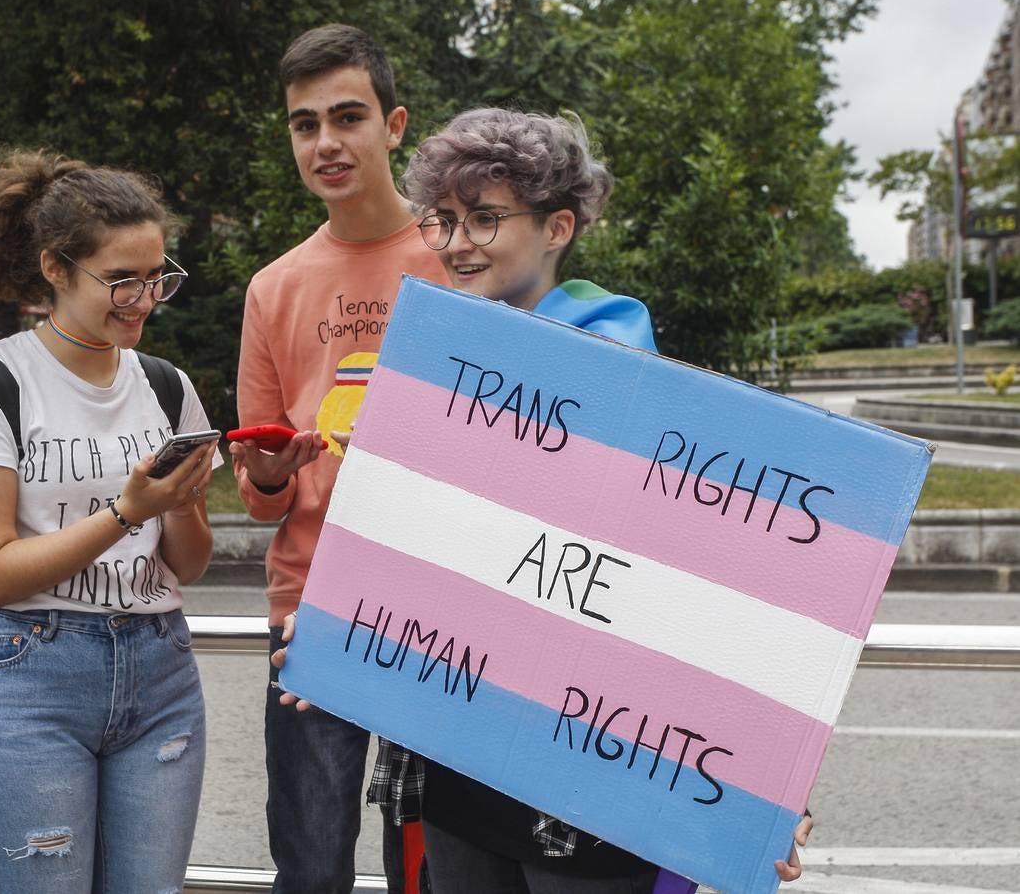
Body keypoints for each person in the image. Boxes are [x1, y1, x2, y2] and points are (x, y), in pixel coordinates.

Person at [275, 107, 814, 891]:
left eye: (485, 219)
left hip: (594, 769)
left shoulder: (625, 363)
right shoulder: (432, 369)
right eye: (445, 221)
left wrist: (767, 775)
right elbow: (408, 540)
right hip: (461, 748)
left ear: (558, 226)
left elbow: (715, 571)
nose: (457, 244)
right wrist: (336, 631)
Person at [0, 150, 219, 893]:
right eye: (121, 279)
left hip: (160, 667)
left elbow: (187, 565)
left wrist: (183, 499)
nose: (144, 297)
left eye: (158, 276)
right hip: (33, 672)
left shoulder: (164, 384)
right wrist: (128, 511)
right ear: (55, 269)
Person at [229, 23, 448, 894]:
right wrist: (273, 475)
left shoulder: (460, 254)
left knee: (435, 868)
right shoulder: (273, 285)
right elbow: (259, 496)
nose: (325, 142)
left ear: (395, 126)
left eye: (347, 117)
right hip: (313, 604)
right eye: (303, 123)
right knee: (311, 865)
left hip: (446, 605)